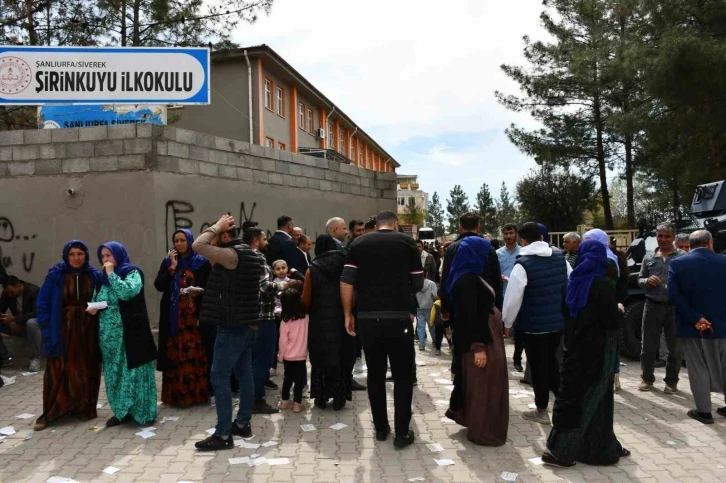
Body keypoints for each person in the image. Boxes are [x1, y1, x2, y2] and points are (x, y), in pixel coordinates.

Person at [543, 240, 629, 467]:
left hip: (576, 348)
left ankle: (603, 447)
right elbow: (611, 321)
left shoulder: (572, 282)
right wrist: (619, 310)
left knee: (597, 400)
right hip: (598, 352)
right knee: (588, 399)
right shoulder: (600, 285)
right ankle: (559, 452)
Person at [341, 210, 423, 448]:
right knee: (403, 377)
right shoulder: (407, 243)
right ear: (395, 224)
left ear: (376, 225)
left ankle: (380, 429)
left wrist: (348, 314)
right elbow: (417, 282)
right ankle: (402, 432)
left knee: (375, 376)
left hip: (368, 319)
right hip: (399, 319)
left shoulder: (358, 243)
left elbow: (346, 281)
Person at [193, 215, 264, 451]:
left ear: (224, 236)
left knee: (219, 376)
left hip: (233, 326)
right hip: (247, 324)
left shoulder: (232, 254)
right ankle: (242, 424)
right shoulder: (249, 254)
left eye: (216, 237)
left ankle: (223, 434)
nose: (212, 242)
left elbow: (198, 245)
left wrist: (215, 226)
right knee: (244, 374)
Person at [502, 222, 572, 425]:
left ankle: (542, 410)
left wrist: (507, 322)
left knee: (538, 368)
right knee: (554, 364)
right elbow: (571, 282)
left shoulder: (522, 265)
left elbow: (513, 299)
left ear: (522, 240)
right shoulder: (560, 258)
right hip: (557, 323)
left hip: (533, 327)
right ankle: (562, 407)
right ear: (541, 238)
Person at [445, 235, 508, 446]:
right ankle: (483, 430)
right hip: (481, 341)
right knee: (484, 386)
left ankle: (474, 422)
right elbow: (471, 316)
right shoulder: (468, 281)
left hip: (485, 337)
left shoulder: (470, 275)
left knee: (479, 384)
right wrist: (479, 347)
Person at [34, 240, 102, 431]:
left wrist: (96, 307)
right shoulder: (55, 276)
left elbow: (106, 299)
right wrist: (47, 330)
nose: (76, 258)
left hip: (87, 331)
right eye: (72, 254)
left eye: (80, 254)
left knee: (85, 368)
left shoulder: (95, 275)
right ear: (66, 255)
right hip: (61, 330)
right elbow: (43, 305)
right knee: (58, 370)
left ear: (86, 255)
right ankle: (50, 413)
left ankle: (82, 408)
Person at [92, 242, 158, 427]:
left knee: (136, 374)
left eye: (109, 255)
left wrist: (112, 274)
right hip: (109, 335)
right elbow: (98, 300)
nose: (105, 259)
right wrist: (93, 307)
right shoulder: (100, 278)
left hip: (132, 333)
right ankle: (121, 412)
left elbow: (127, 292)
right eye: (103, 256)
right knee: (115, 374)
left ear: (118, 255)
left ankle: (144, 413)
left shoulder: (132, 272)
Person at [668, 230, 726, 424]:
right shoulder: (724, 261)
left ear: (689, 245)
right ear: (710, 242)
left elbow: (674, 296)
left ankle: (704, 411)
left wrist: (696, 318)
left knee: (697, 367)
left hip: (692, 326)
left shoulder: (677, 264)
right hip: (722, 325)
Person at [154, 229, 211, 407]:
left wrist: (199, 290)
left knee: (193, 353)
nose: (179, 244)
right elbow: (158, 285)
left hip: (193, 318)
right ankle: (175, 396)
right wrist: (171, 268)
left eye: (182, 240)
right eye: (176, 241)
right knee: (174, 354)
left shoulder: (201, 262)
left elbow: (209, 287)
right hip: (173, 318)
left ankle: (196, 395)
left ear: (190, 241)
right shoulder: (169, 262)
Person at [302, 234, 355, 410]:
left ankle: (322, 396)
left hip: (319, 321)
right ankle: (340, 396)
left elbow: (306, 300)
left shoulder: (312, 269)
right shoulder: (345, 265)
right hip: (342, 318)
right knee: (341, 355)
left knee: (321, 357)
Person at [637, 223, 684, 393]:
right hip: (652, 306)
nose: (663, 239)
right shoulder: (649, 257)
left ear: (673, 237)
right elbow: (640, 279)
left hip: (674, 308)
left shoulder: (682, 257)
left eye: (667, 236)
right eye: (660, 236)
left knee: (675, 348)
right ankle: (647, 379)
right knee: (648, 346)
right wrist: (647, 282)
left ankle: (671, 381)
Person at [245, 227, 288, 414]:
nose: (267, 242)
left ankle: (251, 397)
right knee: (263, 359)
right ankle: (257, 399)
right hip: (264, 316)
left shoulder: (241, 257)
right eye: (264, 238)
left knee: (252, 358)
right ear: (256, 240)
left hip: (248, 315)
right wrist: (283, 284)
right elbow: (264, 287)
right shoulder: (258, 258)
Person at [0, 275, 42, 370]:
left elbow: (36, 313)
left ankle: (35, 358)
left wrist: (15, 319)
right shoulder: (7, 294)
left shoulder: (33, 291)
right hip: (16, 324)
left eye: (11, 292)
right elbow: (1, 309)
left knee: (31, 323)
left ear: (18, 285)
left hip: (33, 323)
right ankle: (5, 358)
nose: (10, 295)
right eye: (8, 293)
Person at [278, 288, 309, 413]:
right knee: (299, 381)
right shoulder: (306, 318)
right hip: (301, 356)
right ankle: (297, 404)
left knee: (287, 378)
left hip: (288, 357)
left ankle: (284, 401)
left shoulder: (284, 322)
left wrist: (281, 355)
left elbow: (283, 341)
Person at [496, 223, 522, 372]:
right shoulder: (498, 253)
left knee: (519, 330)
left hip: (519, 296)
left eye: (511, 233)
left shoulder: (523, 252)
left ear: (516, 234)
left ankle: (517, 359)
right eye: (506, 234)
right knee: (500, 329)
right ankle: (500, 359)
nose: (508, 236)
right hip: (502, 296)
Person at [415, 271, 438, 351]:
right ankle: (435, 341)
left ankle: (422, 344)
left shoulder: (416, 284)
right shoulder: (432, 284)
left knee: (420, 327)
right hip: (429, 308)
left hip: (419, 308)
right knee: (431, 325)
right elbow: (435, 295)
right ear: (427, 274)